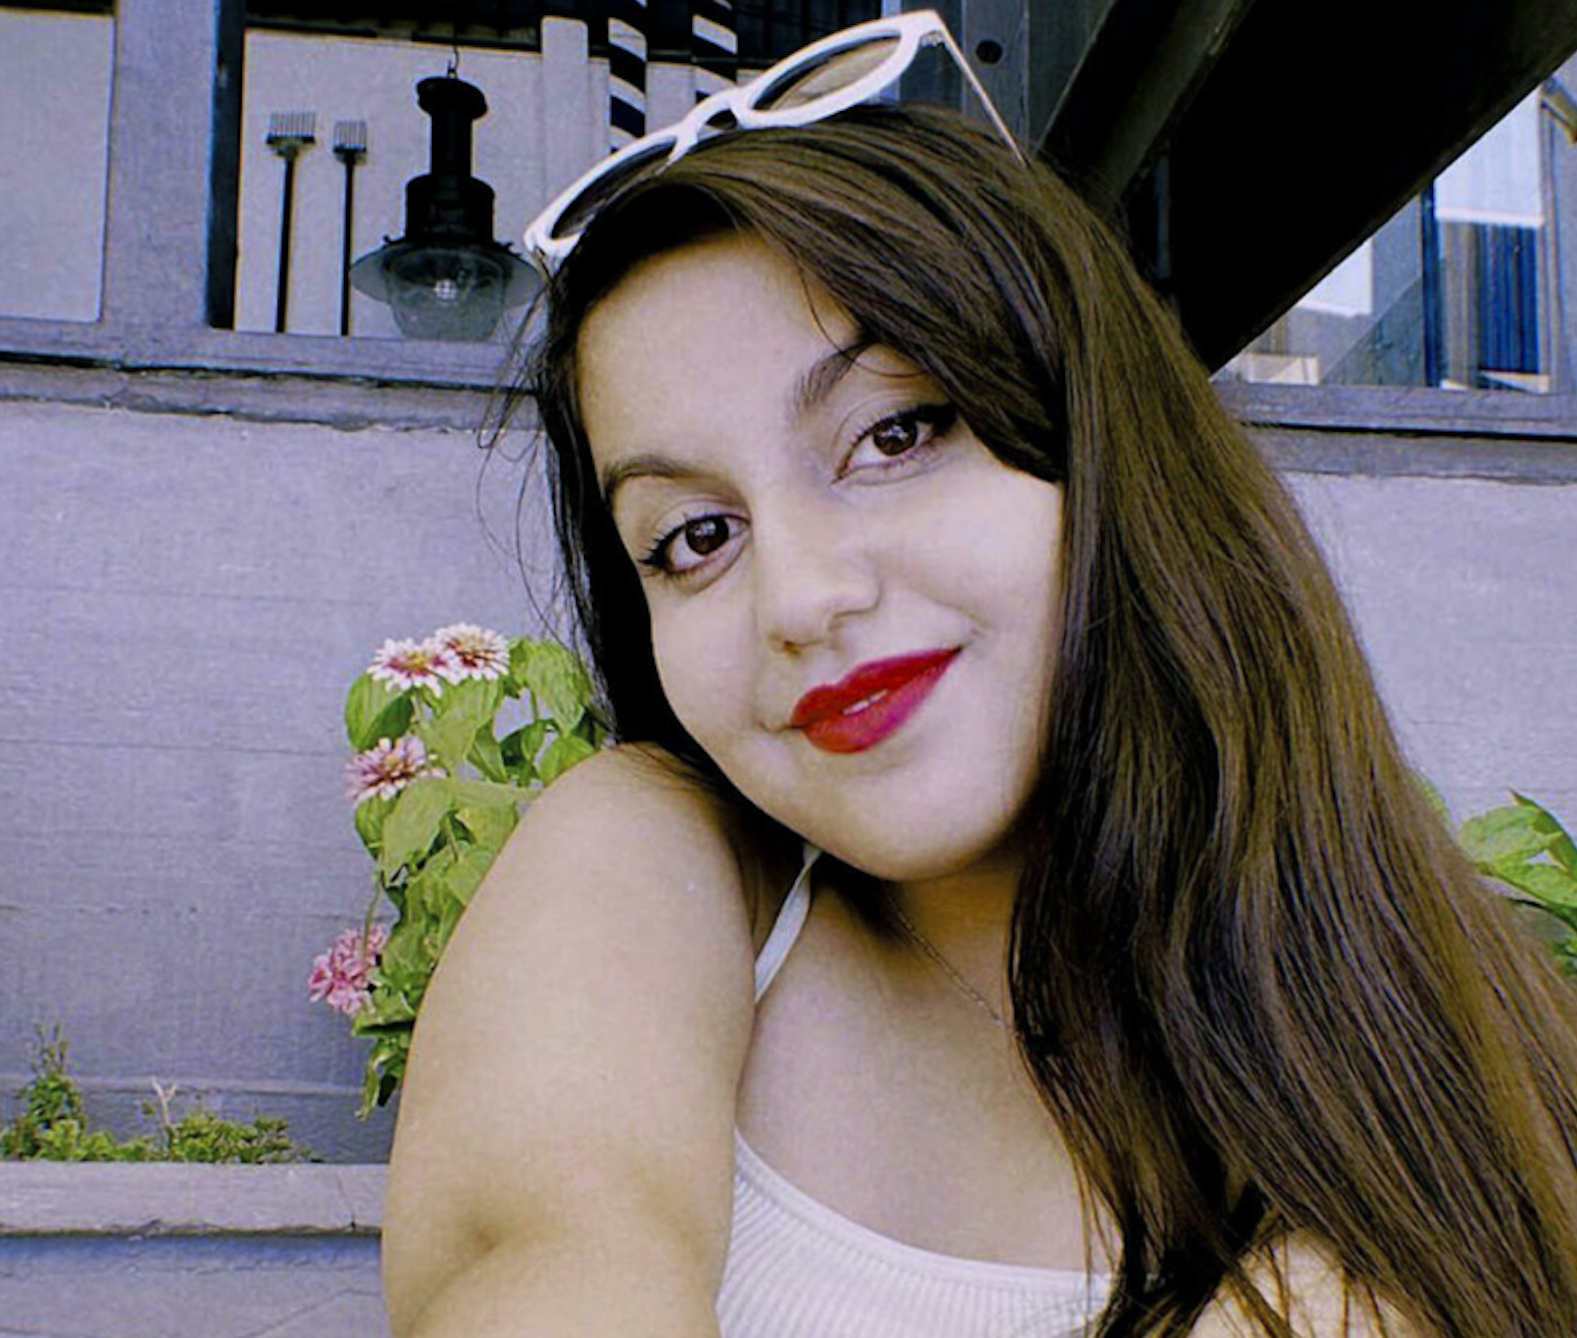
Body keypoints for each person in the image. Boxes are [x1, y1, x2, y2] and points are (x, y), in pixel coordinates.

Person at [381, 13, 1577, 1337]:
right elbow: (539, 1254)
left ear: (1100, 438)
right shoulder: (658, 866)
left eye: (895, 433)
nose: (803, 599)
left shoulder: (1461, 1084)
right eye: (696, 537)